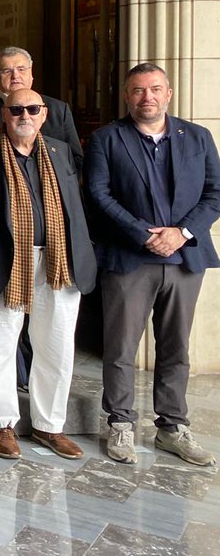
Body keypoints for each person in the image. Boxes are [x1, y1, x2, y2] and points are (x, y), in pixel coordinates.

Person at [86, 63, 220, 466]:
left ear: (169, 93)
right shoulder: (108, 138)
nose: (148, 97)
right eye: (139, 90)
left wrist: (181, 232)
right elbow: (97, 192)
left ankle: (172, 427)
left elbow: (215, 193)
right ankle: (121, 425)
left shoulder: (197, 137)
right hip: (130, 258)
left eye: (155, 89)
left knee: (176, 347)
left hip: (185, 259)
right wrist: (143, 232)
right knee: (122, 347)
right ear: (127, 96)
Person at [0, 89, 96, 461]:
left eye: (32, 109)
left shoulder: (59, 152)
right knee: (2, 345)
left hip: (58, 262)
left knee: (56, 345)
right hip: (4, 262)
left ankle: (49, 424)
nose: (24, 115)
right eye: (16, 109)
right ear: (4, 114)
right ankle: (0, 423)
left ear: (44, 114)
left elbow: (75, 207)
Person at [0, 46, 83, 172]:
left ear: (31, 73)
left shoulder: (59, 109)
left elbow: (75, 159)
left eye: (21, 69)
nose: (15, 76)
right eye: (7, 71)